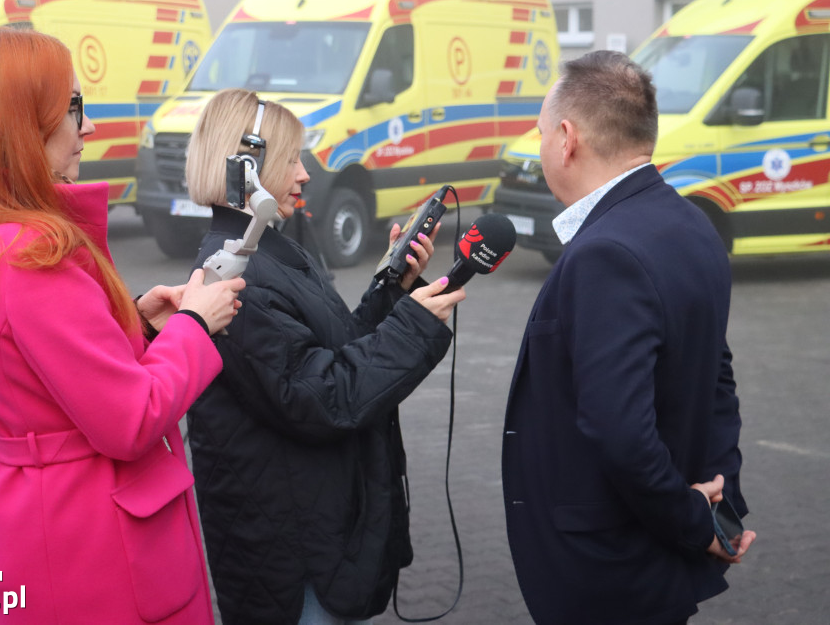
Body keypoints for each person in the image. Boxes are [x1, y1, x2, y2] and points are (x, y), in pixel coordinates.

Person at [0, 27, 244, 624]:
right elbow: (131, 419)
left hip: (18, 527)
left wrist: (128, 322)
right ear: (21, 125)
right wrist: (193, 323)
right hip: (89, 547)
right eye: (74, 108)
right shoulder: (33, 256)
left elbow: (25, 367)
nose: (89, 128)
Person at [183, 88, 466, 625]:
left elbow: (335, 348)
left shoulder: (269, 251)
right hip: (294, 558)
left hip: (316, 529)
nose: (305, 172)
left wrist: (393, 289)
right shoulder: (233, 275)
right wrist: (414, 326)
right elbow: (321, 396)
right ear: (246, 164)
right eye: (292, 158)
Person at [501, 50, 757, 625]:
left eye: (540, 133)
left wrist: (697, 522)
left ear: (566, 138)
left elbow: (620, 429)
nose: (540, 145)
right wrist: (723, 500)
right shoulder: (692, 223)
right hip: (651, 565)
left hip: (606, 571)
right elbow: (718, 382)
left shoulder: (605, 254)